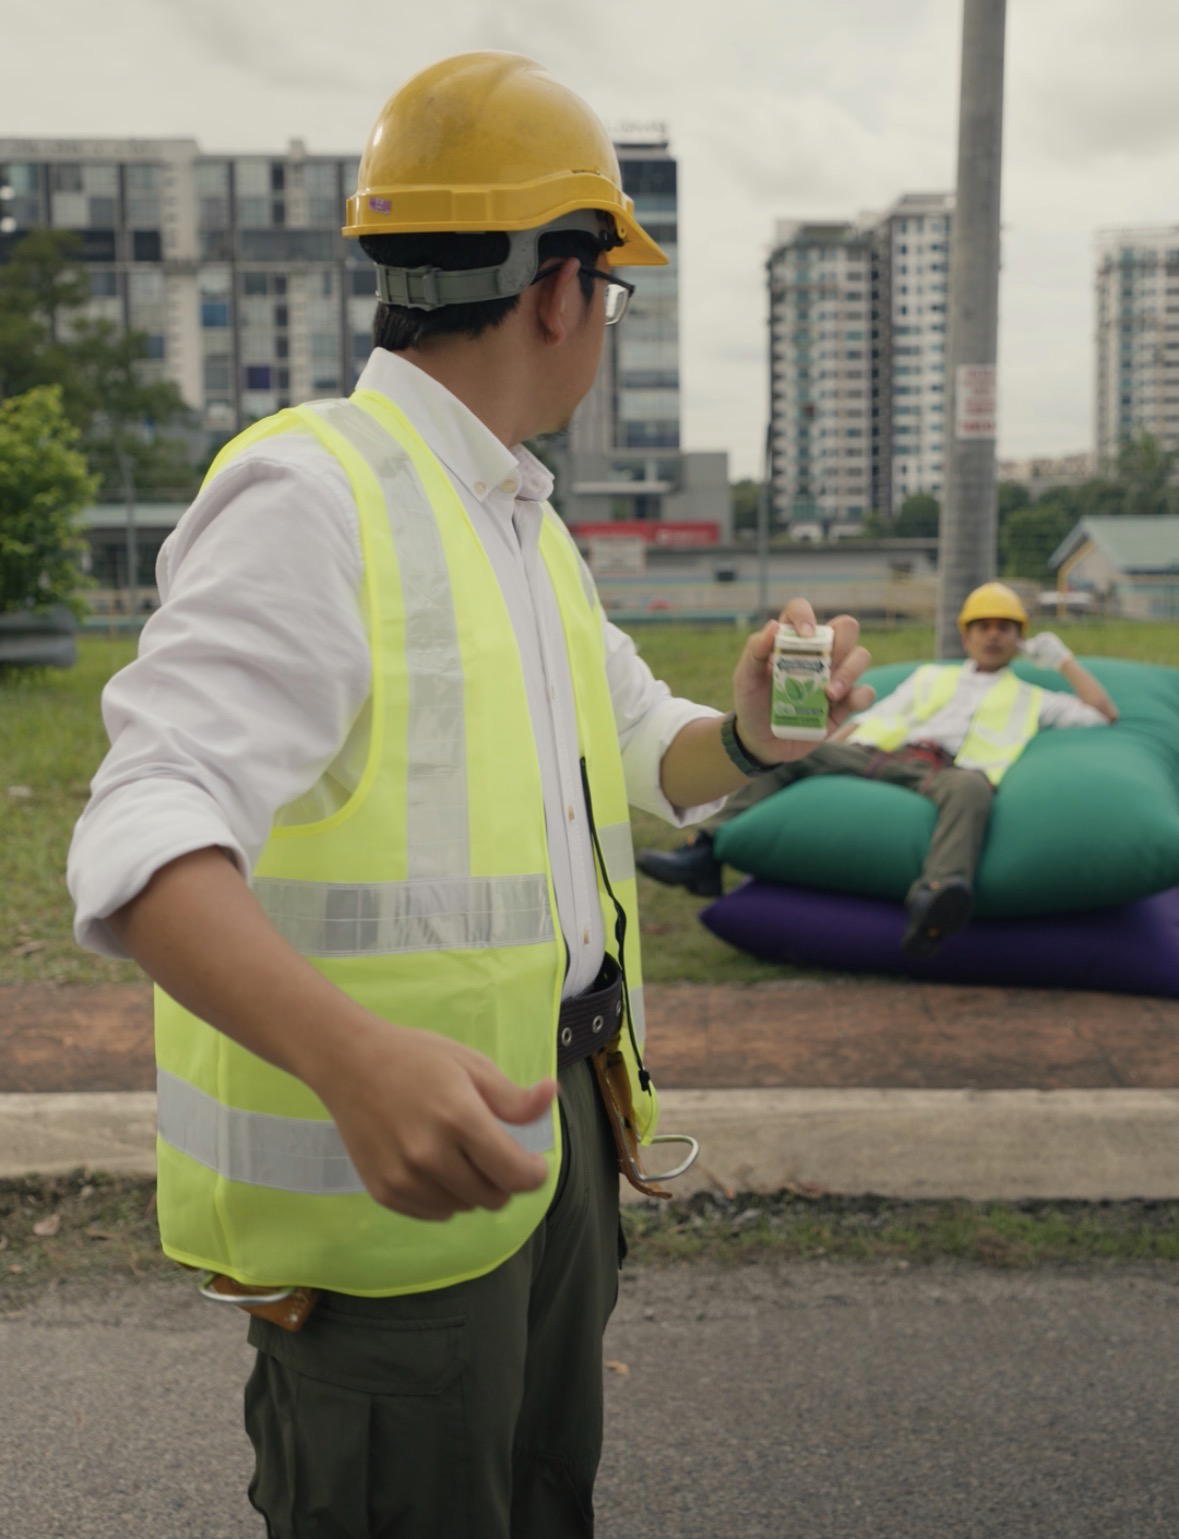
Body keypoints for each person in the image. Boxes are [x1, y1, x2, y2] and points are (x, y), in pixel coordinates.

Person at [66, 53, 872, 1539]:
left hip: (556, 1136)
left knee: (539, 1499)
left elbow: (644, 749)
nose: (604, 323)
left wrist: (753, 737)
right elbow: (141, 830)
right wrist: (356, 1062)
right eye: (610, 291)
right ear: (559, 289)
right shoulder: (313, 497)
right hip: (388, 1196)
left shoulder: (516, 519)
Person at [637, 582, 1118, 957]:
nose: (994, 635)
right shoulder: (930, 676)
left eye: (1005, 627)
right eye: (983, 626)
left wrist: (1063, 660)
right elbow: (877, 716)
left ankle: (936, 901)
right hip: (878, 754)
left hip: (946, 770)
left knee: (973, 790)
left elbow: (1102, 713)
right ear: (966, 634)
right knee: (788, 754)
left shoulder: (1033, 697)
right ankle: (703, 853)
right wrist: (825, 748)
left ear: (1020, 637)